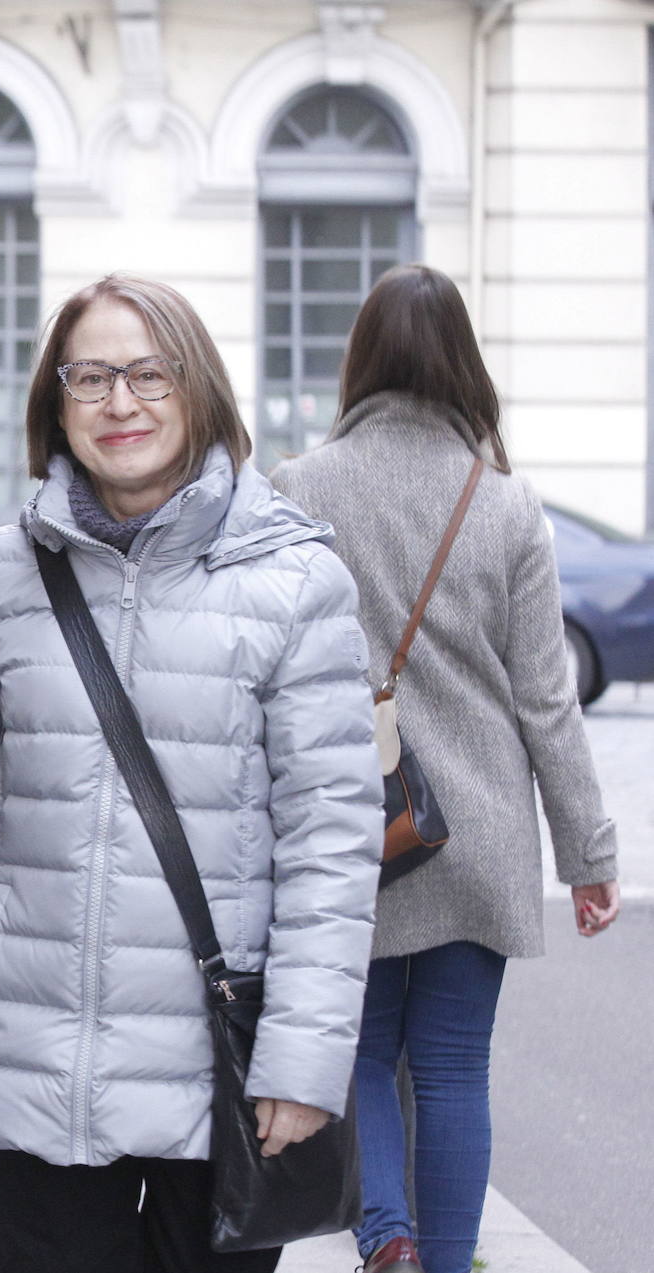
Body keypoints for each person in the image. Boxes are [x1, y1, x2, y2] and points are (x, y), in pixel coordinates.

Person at [0, 273, 384, 1273]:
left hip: (217, 1070)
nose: (119, 402)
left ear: (199, 390)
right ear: (54, 404)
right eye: (88, 377)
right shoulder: (3, 574)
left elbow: (331, 846)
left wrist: (304, 1060)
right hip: (34, 1050)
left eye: (148, 373)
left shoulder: (295, 579)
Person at [270, 263, 620, 1273]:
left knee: (361, 1053)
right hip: (479, 831)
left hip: (356, 825)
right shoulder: (507, 504)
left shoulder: (302, 486)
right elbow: (546, 700)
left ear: (362, 358)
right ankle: (450, 1262)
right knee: (458, 1068)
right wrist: (588, 852)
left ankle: (387, 1237)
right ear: (464, 362)